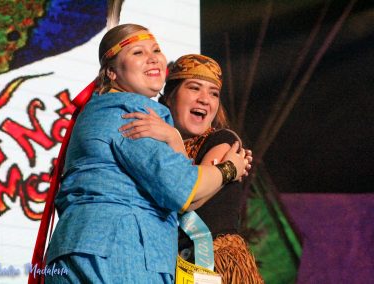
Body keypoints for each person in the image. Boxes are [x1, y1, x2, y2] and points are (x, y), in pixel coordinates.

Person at [29, 25, 251, 284]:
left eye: (156, 50)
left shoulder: (98, 110)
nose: (153, 57)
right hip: (117, 252)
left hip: (80, 249)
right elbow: (184, 190)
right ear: (111, 71)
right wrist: (229, 169)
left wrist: (172, 137)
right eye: (138, 52)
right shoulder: (132, 110)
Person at [120, 54, 264, 283]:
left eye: (213, 93)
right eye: (195, 88)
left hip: (215, 266)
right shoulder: (152, 149)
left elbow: (189, 196)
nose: (205, 100)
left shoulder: (223, 141)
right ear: (169, 96)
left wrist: (173, 138)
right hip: (169, 264)